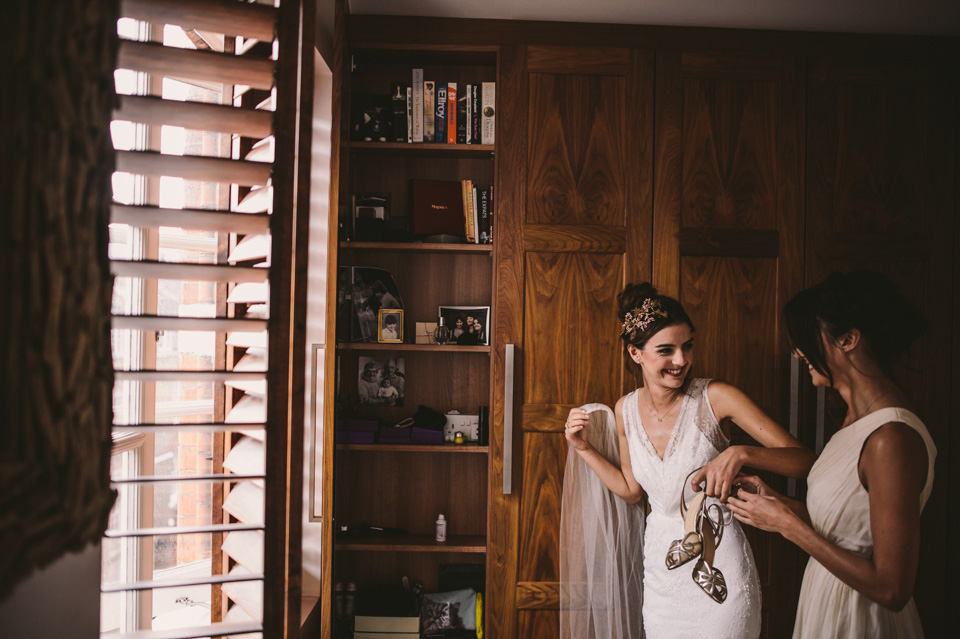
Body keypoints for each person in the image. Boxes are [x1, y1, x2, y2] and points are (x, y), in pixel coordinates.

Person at [562, 281, 816, 639]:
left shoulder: (716, 398)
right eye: (666, 350)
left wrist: (741, 452)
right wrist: (584, 449)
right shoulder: (625, 410)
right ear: (636, 354)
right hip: (662, 575)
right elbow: (634, 492)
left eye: (687, 346)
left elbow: (805, 461)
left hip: (720, 570)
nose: (681, 361)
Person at [726, 270, 936, 639]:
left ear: (849, 338)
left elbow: (892, 588)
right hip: (826, 598)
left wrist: (787, 526)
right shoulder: (854, 423)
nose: (797, 352)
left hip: (861, 619)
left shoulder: (892, 437)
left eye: (806, 339)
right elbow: (850, 531)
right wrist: (779, 505)